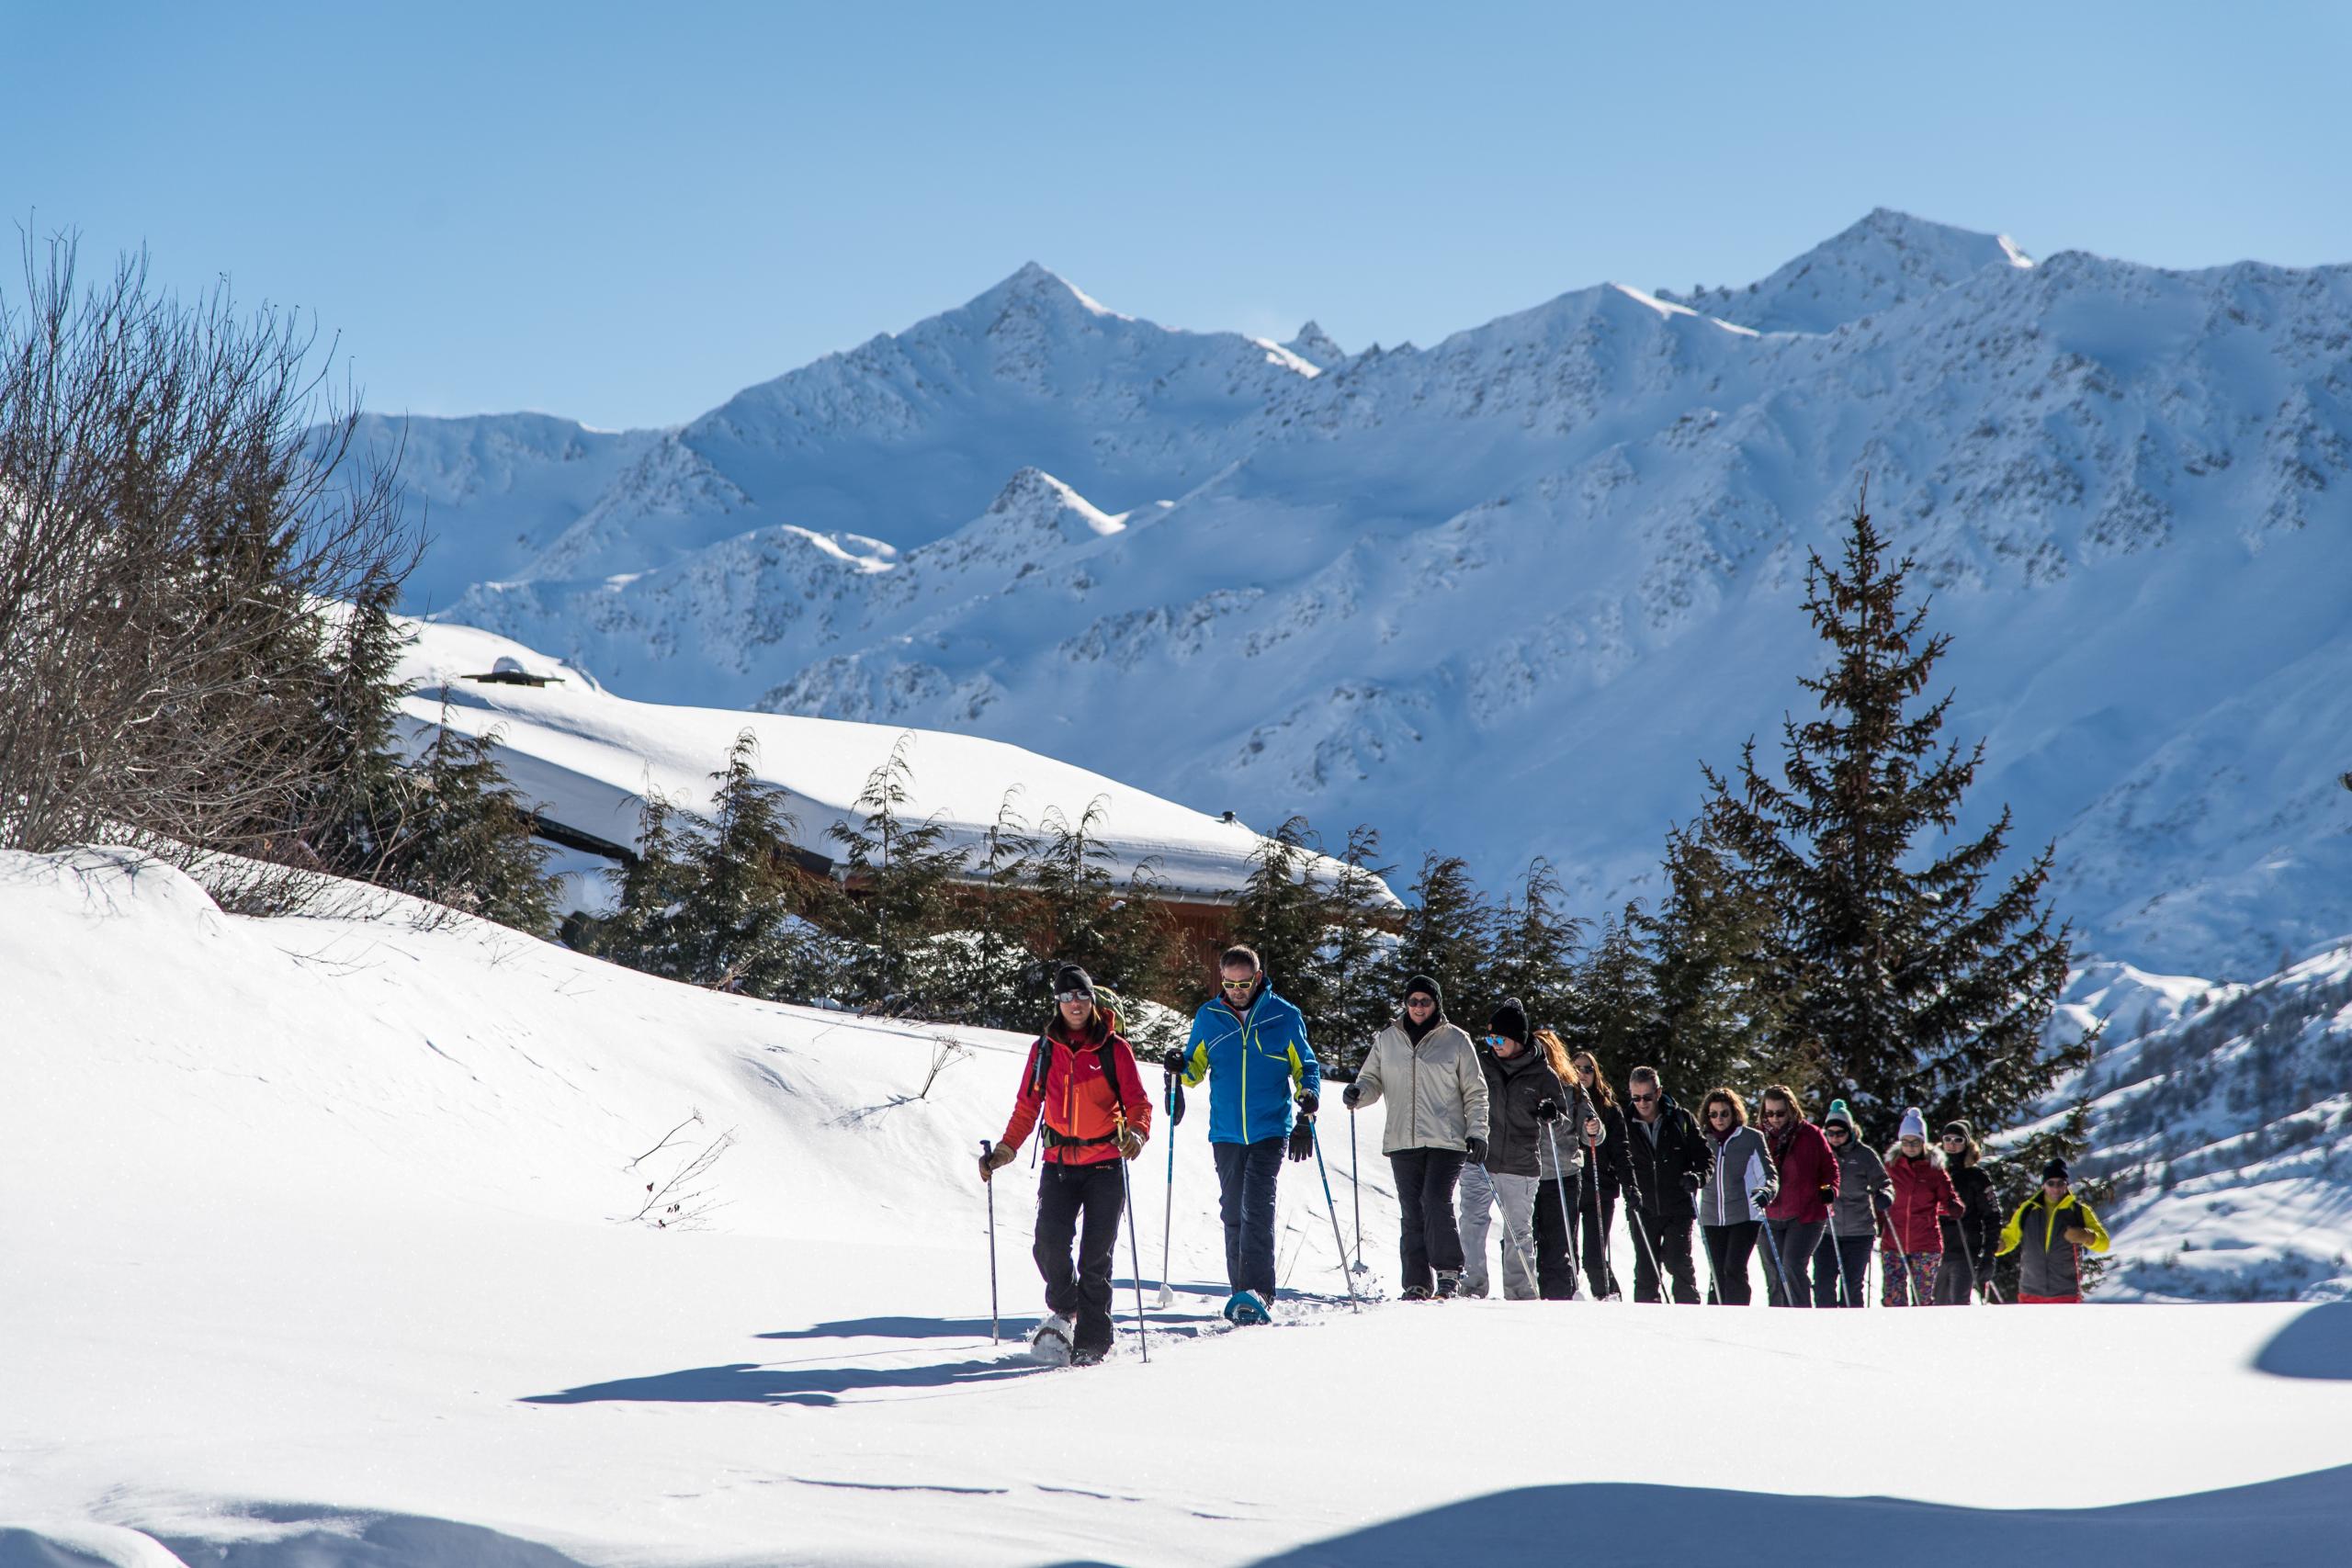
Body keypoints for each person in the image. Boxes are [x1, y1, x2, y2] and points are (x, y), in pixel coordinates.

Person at [978, 964, 1153, 1365]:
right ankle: (1066, 1306)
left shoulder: (1113, 1049)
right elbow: (1027, 1106)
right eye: (1066, 997)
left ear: (1092, 1000)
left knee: (1096, 1258)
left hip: (1106, 1166)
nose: (1074, 1004)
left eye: (1081, 996)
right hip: (1059, 1165)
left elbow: (1139, 1102)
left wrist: (1138, 1134)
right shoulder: (1044, 1050)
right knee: (1048, 1245)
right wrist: (1006, 1149)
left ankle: (1092, 1344)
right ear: (1057, 1003)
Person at [1165, 944, 1319, 1323]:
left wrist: (1308, 1102)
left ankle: (1259, 1292)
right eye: (1230, 983)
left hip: (1270, 1128)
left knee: (1257, 1207)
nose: (1237, 990)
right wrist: (1176, 1069)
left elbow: (1306, 1066)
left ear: (1258, 977)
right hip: (1227, 1132)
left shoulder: (1284, 1015)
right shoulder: (1209, 1017)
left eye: (1244, 983)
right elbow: (1194, 1069)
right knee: (1233, 1211)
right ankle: (1240, 1293)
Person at [1342, 973, 1488, 1301]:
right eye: (1412, 1001)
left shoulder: (1457, 1039)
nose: (1418, 1007)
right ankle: (1416, 1283)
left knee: (1435, 1201)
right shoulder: (1388, 1039)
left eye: (1425, 1001)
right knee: (1412, 1210)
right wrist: (1358, 1093)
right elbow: (1371, 1079)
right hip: (1401, 1140)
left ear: (1436, 1003)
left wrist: (1478, 1132)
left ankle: (1449, 1273)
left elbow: (1476, 1092)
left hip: (1446, 1140)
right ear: (1405, 1004)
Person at [1457, 998, 1563, 1300]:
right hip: (1480, 1160)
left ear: (1518, 1038)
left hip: (1521, 1162)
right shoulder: (1481, 1066)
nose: (1494, 1044)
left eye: (1500, 1038)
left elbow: (1563, 1119)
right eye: (1490, 1038)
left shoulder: (1543, 1075)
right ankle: (1471, 1286)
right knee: (1471, 1222)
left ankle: (1520, 1293)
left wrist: (1551, 1112)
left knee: (1518, 1231)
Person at [1621, 1066, 1712, 1304]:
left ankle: (1688, 1312)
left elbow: (1705, 1157)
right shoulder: (1625, 1123)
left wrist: (1697, 1177)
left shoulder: (1680, 1119)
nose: (1642, 1103)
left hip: (1678, 1205)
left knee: (1677, 1262)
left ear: (1658, 1093)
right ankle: (1647, 1323)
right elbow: (1618, 1160)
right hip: (1643, 1208)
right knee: (1646, 1270)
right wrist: (1627, 1187)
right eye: (1636, 1097)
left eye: (1647, 1097)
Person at [1527, 1026, 1600, 1300]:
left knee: (1559, 1243)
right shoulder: (1524, 1082)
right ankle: (1526, 1297)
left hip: (1563, 1172)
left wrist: (1593, 1128)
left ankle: (1559, 1298)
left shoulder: (1573, 1088)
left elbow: (1591, 1128)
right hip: (1528, 1172)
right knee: (1527, 1241)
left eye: (1544, 1052)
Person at [1568, 1048, 1642, 1300]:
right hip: (1570, 1185)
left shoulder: (1609, 1108)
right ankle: (1567, 1297)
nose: (1582, 1073)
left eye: (1588, 1069)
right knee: (1568, 1254)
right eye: (1577, 1068)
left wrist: (1630, 1185)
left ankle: (1609, 1296)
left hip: (1600, 1188)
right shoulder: (1565, 1100)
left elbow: (1622, 1151)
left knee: (1594, 1256)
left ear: (1596, 1073)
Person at [1757, 1084, 1838, 1308]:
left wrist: (1829, 1188)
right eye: (1769, 1113)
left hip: (1806, 1215)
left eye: (1780, 1113)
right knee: (1773, 1271)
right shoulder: (1758, 1136)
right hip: (1769, 1214)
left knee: (1792, 1265)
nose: (1774, 1119)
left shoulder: (1810, 1135)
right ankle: (1777, 1316)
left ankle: (1800, 1315)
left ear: (1791, 1110)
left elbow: (1829, 1169)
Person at [1697, 1088, 1777, 1305]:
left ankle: (1738, 1315)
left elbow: (1769, 1175)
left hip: (1745, 1215)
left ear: (1734, 1113)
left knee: (1733, 1267)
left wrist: (1766, 1191)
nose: (1719, 1119)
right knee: (1717, 1271)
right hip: (1712, 1216)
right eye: (1713, 1114)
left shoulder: (1751, 1138)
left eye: (1724, 1113)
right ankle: (1715, 1318)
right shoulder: (1702, 1140)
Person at [1811, 1099, 1890, 1307]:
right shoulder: (1820, 1153)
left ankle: (1851, 1327)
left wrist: (1884, 1194)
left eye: (1841, 1133)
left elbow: (1883, 1181)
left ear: (1851, 1131)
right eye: (1831, 1133)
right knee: (1823, 1285)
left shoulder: (1864, 1154)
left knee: (1852, 1285)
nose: (1835, 1138)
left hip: (1859, 1231)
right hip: (1826, 1230)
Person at [1996, 1158, 2110, 1303]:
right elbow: (2010, 1237)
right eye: (2051, 1183)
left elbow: (2104, 1243)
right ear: (2043, 1185)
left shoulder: (2079, 1212)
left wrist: (2086, 1236)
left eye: (2060, 1183)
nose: (2056, 1188)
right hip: (2030, 1293)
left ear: (2066, 1185)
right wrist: (1996, 1246)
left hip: (2065, 1293)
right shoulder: (2027, 1209)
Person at [1883, 1107, 1962, 1306]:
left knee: (1923, 1299)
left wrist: (1953, 1205)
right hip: (1894, 1241)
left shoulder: (1934, 1169)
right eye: (1906, 1142)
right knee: (1894, 1299)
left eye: (1915, 1142)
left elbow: (1947, 1194)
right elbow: (1880, 1192)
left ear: (1923, 1142)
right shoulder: (1891, 1167)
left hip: (1925, 1243)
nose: (1910, 1147)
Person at [1936, 1121, 2003, 1305]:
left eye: (1958, 1139)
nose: (1952, 1144)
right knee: (1932, 1307)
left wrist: (1989, 1255)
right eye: (1947, 1139)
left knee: (1958, 1305)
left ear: (1967, 1143)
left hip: (1965, 1250)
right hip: (1934, 1249)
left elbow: (1993, 1216)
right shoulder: (1933, 1172)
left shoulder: (1977, 1177)